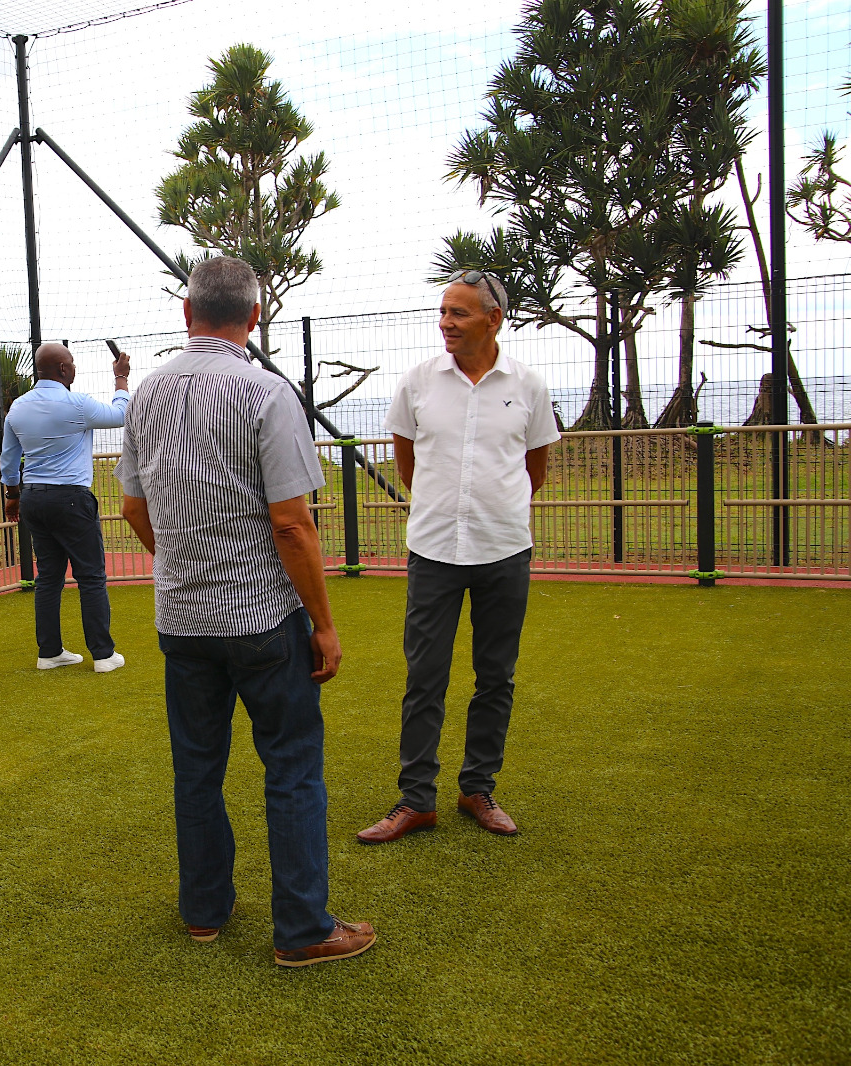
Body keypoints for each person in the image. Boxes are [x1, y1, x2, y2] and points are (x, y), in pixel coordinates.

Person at [117, 256, 375, 967]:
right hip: (262, 617)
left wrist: (177, 561)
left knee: (197, 767)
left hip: (182, 618)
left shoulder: (146, 394)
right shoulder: (267, 392)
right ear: (255, 318)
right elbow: (291, 522)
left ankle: (204, 911)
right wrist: (323, 623)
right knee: (292, 766)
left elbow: (133, 506)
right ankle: (303, 928)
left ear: (187, 312)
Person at [356, 269, 560, 845]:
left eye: (459, 313)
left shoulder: (529, 385)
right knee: (424, 677)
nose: (446, 323)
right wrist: (444, 506)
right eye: (443, 312)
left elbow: (534, 470)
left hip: (504, 549)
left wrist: (493, 509)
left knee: (496, 677)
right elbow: (407, 462)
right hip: (433, 550)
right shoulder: (418, 382)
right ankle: (416, 800)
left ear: (494, 319)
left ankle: (478, 789)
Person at [0, 342, 131, 673]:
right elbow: (121, 415)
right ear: (62, 369)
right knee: (90, 575)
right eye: (71, 363)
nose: (74, 368)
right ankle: (103, 655)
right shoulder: (78, 404)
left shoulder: (18, 407)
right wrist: (120, 378)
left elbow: (9, 457)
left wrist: (13, 494)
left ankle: (49, 653)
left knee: (48, 577)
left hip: (33, 498)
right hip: (71, 498)